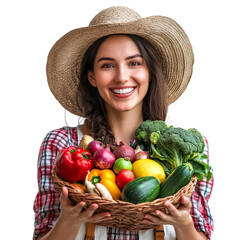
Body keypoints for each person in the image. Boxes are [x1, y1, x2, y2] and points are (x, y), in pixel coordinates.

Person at [33, 6, 214, 240]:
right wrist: (69, 220)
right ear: (92, 77)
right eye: (107, 65)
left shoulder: (184, 152)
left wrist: (184, 225)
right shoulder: (61, 144)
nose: (121, 76)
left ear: (150, 71)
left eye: (134, 63)